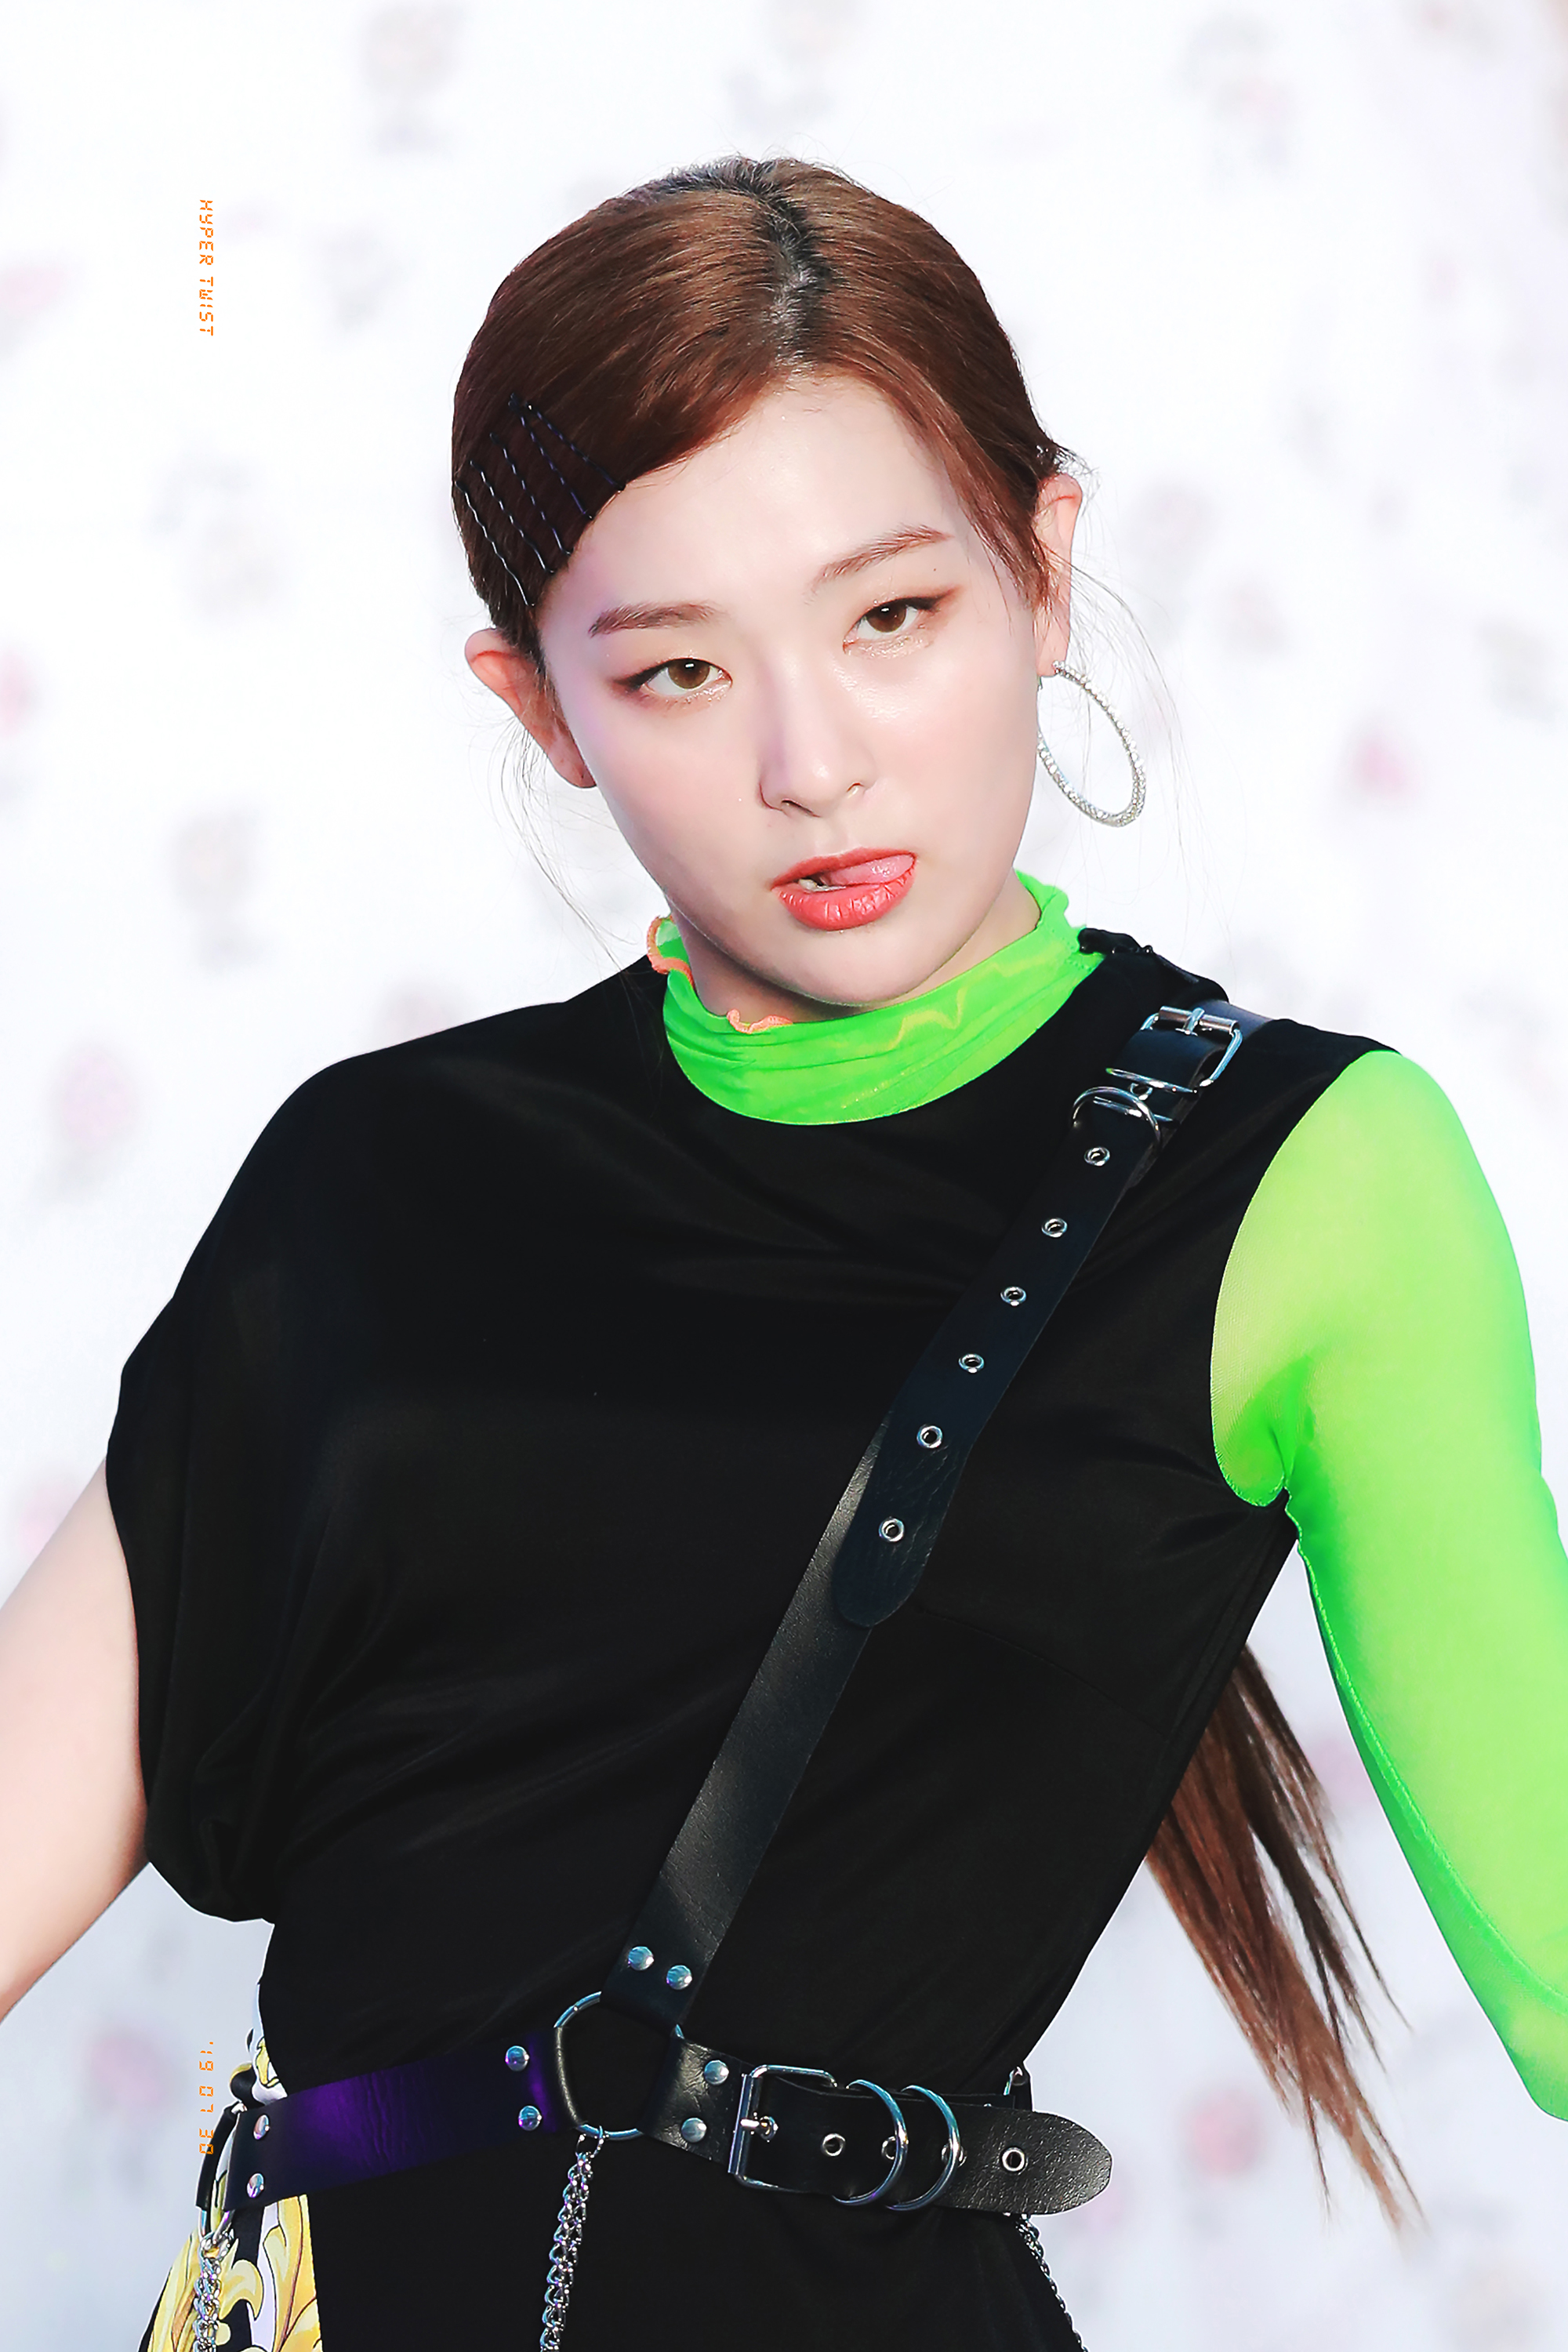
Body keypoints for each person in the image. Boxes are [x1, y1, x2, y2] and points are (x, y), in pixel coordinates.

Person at [2, 154, 1566, 2352]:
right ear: (539, 708)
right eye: (673, 671)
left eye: (891, 618)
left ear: (1042, 566)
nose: (811, 763)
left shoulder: (1301, 1174)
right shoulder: (377, 1179)